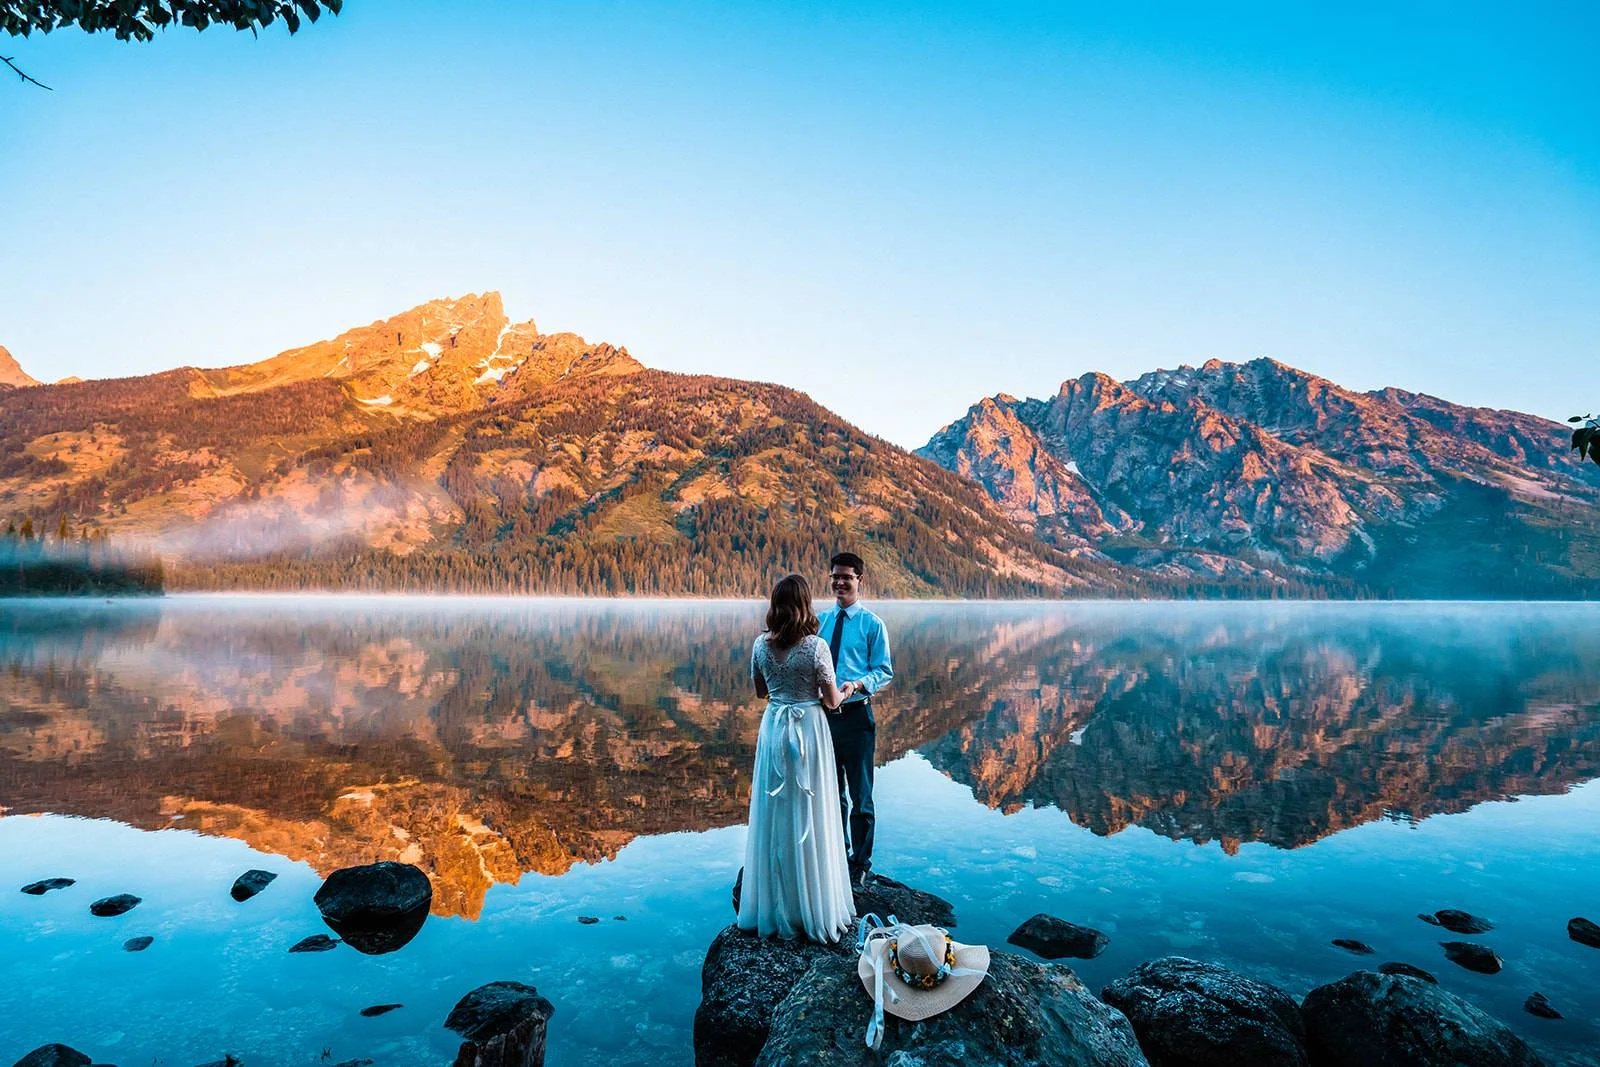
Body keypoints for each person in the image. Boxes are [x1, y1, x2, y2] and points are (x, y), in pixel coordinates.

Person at [737, 573, 855, 943]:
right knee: (811, 811)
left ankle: (773, 906)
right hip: (809, 731)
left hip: (775, 727)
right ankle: (814, 905)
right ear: (805, 605)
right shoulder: (816, 647)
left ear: (775, 605)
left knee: (775, 813)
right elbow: (832, 700)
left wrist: (783, 690)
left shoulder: (760, 645)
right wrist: (848, 688)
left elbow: (761, 692)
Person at [817, 551, 893, 886]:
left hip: (857, 718)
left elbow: (884, 671)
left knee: (861, 797)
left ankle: (860, 863)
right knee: (831, 794)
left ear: (860, 580)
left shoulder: (872, 624)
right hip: (823, 720)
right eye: (835, 576)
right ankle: (837, 854)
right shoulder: (820, 622)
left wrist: (858, 683)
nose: (840, 582)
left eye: (846, 576)